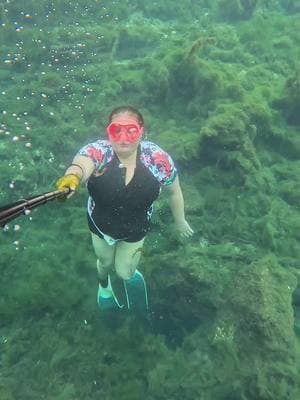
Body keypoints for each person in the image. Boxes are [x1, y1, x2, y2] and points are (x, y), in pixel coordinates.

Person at [56, 106, 194, 309]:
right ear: (108, 132)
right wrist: (72, 176)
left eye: (131, 131)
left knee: (124, 272)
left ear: (141, 131)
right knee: (104, 263)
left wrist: (180, 221)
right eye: (116, 130)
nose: (123, 138)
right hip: (99, 224)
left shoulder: (157, 160)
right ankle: (103, 286)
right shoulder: (99, 152)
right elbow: (82, 164)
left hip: (136, 228)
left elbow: (175, 192)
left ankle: (128, 273)